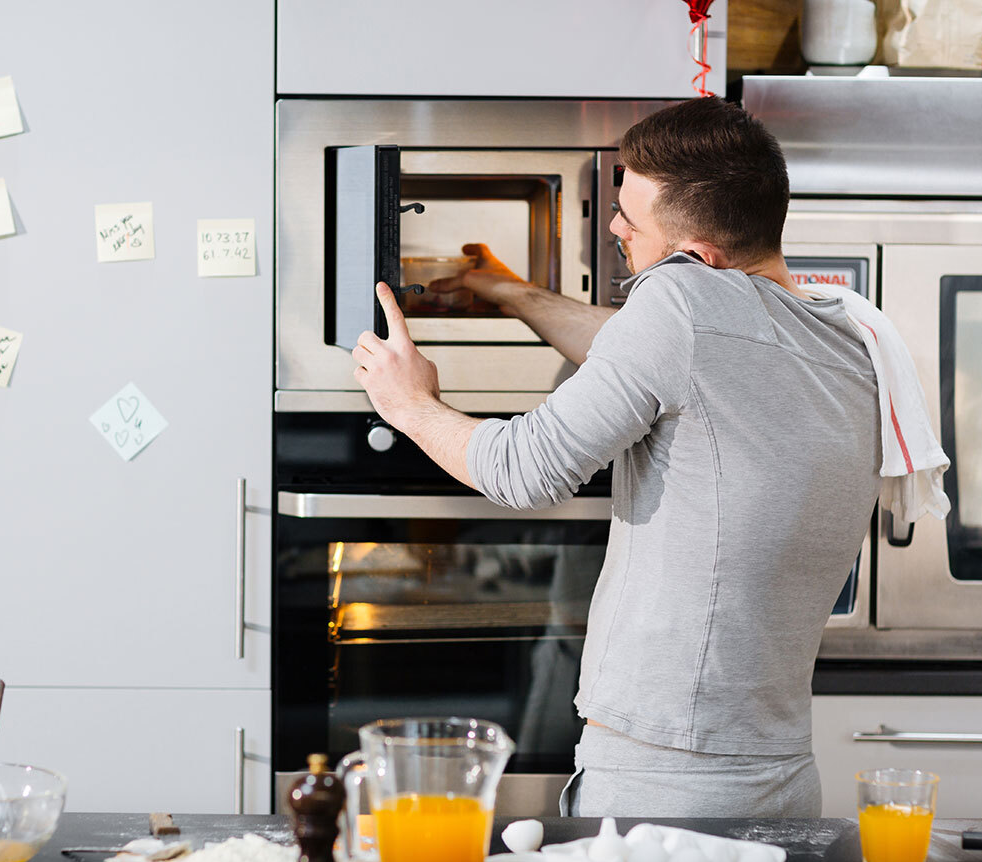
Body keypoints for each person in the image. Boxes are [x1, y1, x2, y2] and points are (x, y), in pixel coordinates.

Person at [349, 97, 882, 818]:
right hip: (782, 771)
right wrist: (508, 290)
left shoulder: (683, 307)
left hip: (666, 780)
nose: (613, 225)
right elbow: (639, 345)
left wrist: (410, 404)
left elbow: (523, 469)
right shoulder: (843, 335)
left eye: (632, 218)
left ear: (700, 261)